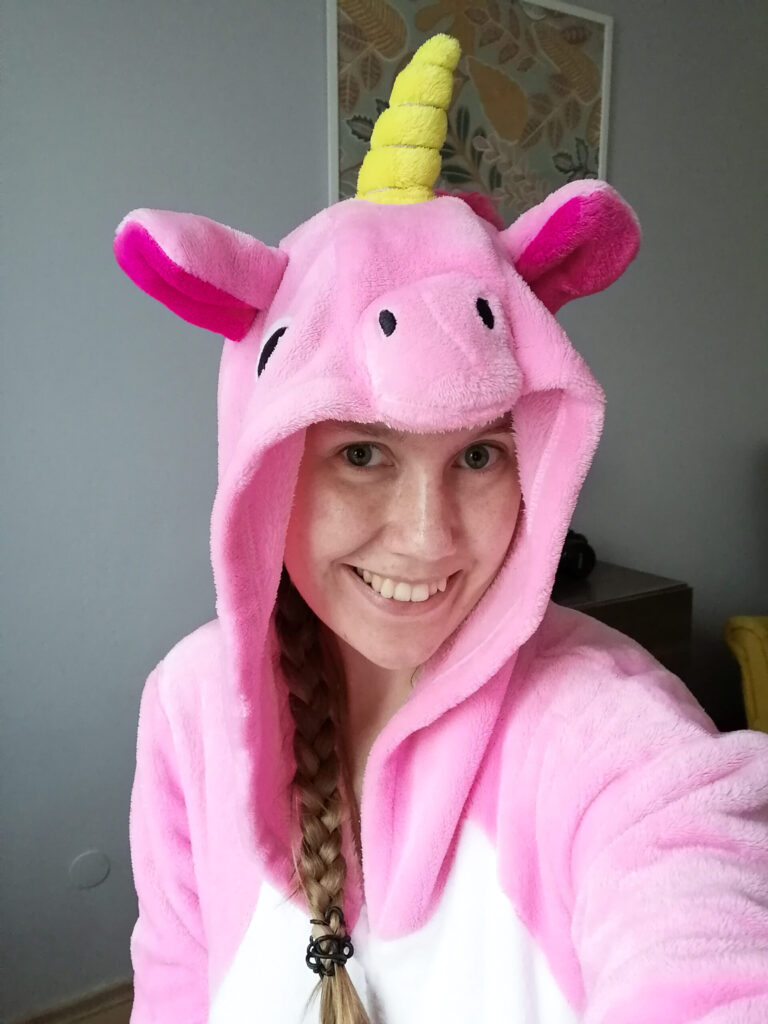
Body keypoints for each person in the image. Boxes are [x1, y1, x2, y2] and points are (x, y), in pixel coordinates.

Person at [115, 33, 768, 1024]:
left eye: (479, 456)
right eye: (362, 454)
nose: (428, 540)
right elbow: (172, 991)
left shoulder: (611, 736)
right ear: (269, 463)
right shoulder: (188, 709)